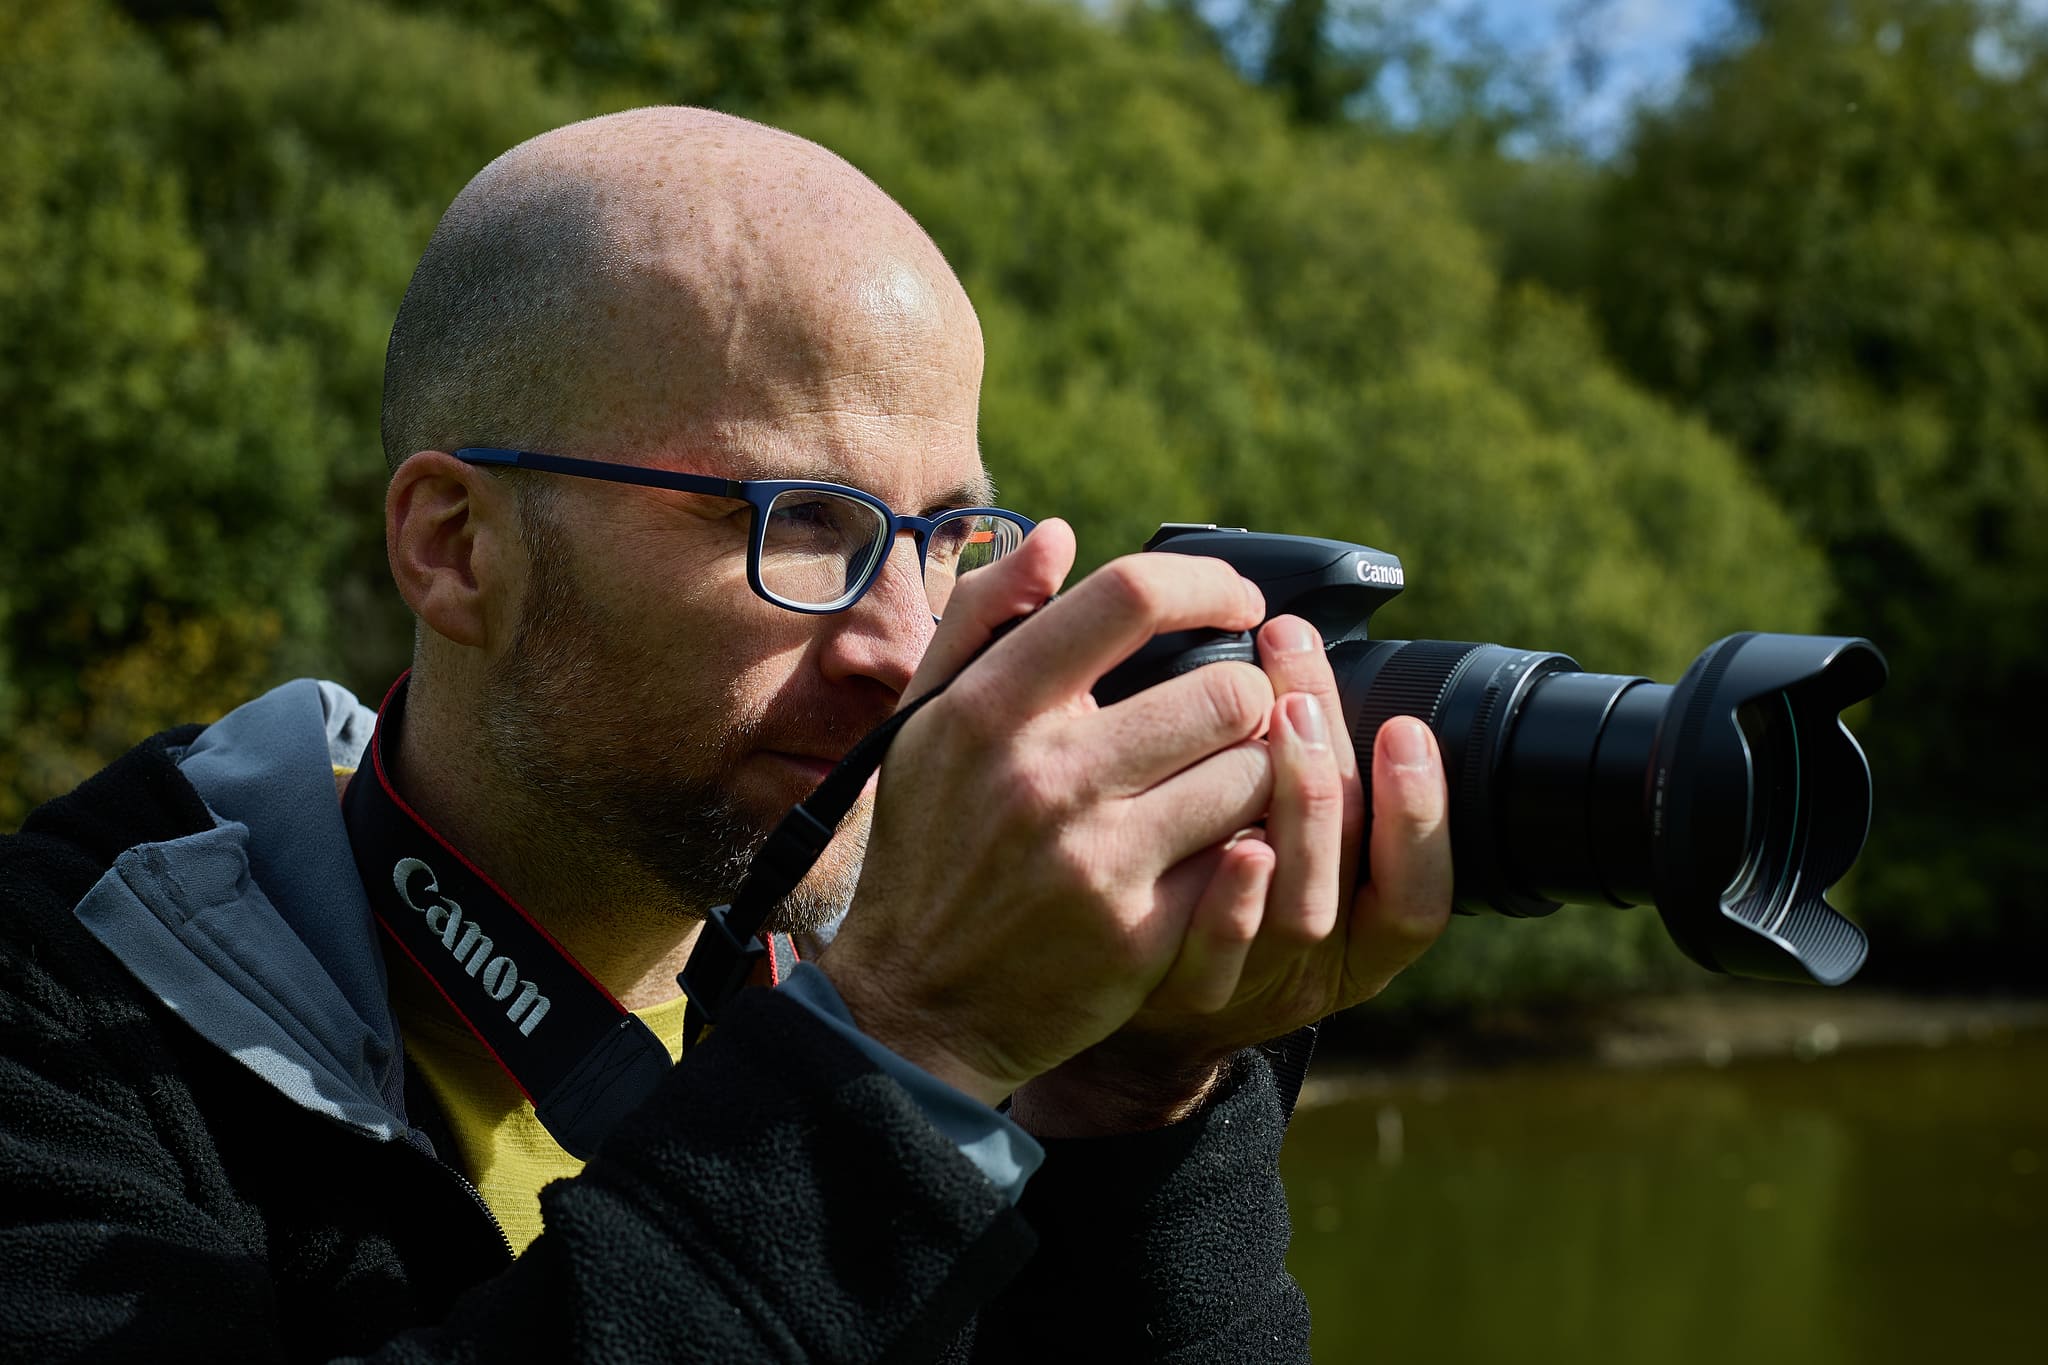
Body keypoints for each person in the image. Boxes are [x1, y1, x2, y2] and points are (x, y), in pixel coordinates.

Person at [0, 107, 1452, 1361]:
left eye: (944, 538)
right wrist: (899, 1050)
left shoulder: (948, 956)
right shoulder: (57, 1009)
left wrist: (1136, 1110)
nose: (902, 644)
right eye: (800, 522)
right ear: (456, 547)